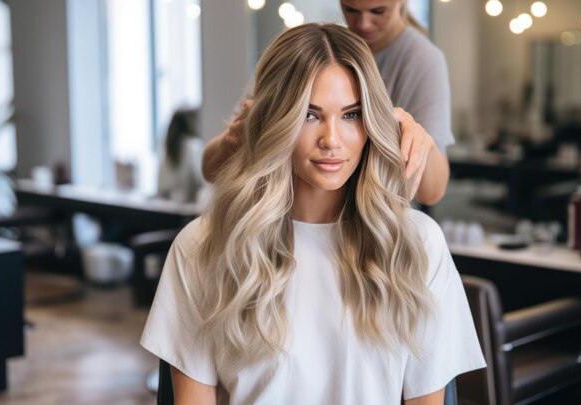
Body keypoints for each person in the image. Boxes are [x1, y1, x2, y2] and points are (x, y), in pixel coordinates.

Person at [141, 24, 484, 404]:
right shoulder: (202, 247)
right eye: (309, 114)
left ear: (373, 123)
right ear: (276, 120)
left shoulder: (417, 245)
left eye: (352, 115)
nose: (332, 140)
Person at [202, 0, 452, 206]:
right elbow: (211, 169)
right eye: (351, 9)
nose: (363, 23)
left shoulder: (422, 61)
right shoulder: (306, 53)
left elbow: (433, 192)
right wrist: (237, 138)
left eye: (378, 11)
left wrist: (419, 144)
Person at [157, 108, 207, 204]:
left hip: (166, 208)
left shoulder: (167, 147)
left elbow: (161, 186)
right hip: (187, 208)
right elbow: (202, 179)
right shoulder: (194, 145)